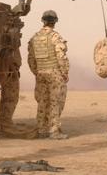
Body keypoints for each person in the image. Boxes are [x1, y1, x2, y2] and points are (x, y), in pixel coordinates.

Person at [27, 10, 69, 140]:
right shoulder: (55, 37)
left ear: (43, 21)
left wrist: (37, 71)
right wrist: (64, 72)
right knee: (55, 102)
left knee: (43, 101)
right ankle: (54, 130)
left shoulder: (34, 38)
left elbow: (31, 59)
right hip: (55, 73)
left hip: (40, 73)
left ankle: (42, 129)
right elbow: (61, 57)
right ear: (55, 21)